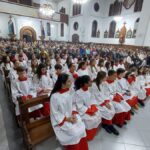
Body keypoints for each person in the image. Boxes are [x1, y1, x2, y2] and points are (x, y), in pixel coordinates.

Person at [50, 74, 89, 150]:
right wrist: (67, 119)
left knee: (82, 126)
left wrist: (74, 114)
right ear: (62, 83)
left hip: (72, 115)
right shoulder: (55, 96)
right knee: (74, 133)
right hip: (62, 119)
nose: (71, 83)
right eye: (69, 81)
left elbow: (73, 103)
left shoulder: (71, 91)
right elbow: (55, 113)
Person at [91, 71, 119, 135]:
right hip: (96, 102)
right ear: (101, 78)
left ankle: (107, 124)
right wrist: (104, 103)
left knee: (112, 108)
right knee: (107, 111)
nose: (106, 77)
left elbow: (104, 94)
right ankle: (108, 125)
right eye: (105, 76)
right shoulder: (94, 85)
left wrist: (106, 101)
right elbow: (96, 97)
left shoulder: (103, 83)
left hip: (103, 100)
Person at [74, 75, 102, 141]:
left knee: (98, 114)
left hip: (90, 108)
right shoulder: (78, 93)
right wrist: (89, 111)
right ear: (85, 84)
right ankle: (88, 135)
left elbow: (92, 99)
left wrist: (93, 107)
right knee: (90, 119)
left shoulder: (89, 89)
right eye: (89, 81)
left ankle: (93, 132)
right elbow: (79, 106)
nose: (91, 81)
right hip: (83, 111)